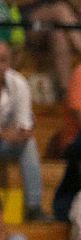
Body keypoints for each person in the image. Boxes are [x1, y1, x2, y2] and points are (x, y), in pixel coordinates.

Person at [0, 40, 44, 220]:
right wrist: (4, 133)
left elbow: (24, 130)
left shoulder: (18, 83)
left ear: (9, 63)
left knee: (29, 144)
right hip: (4, 138)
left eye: (2, 60)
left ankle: (33, 207)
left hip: (6, 144)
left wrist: (13, 134)